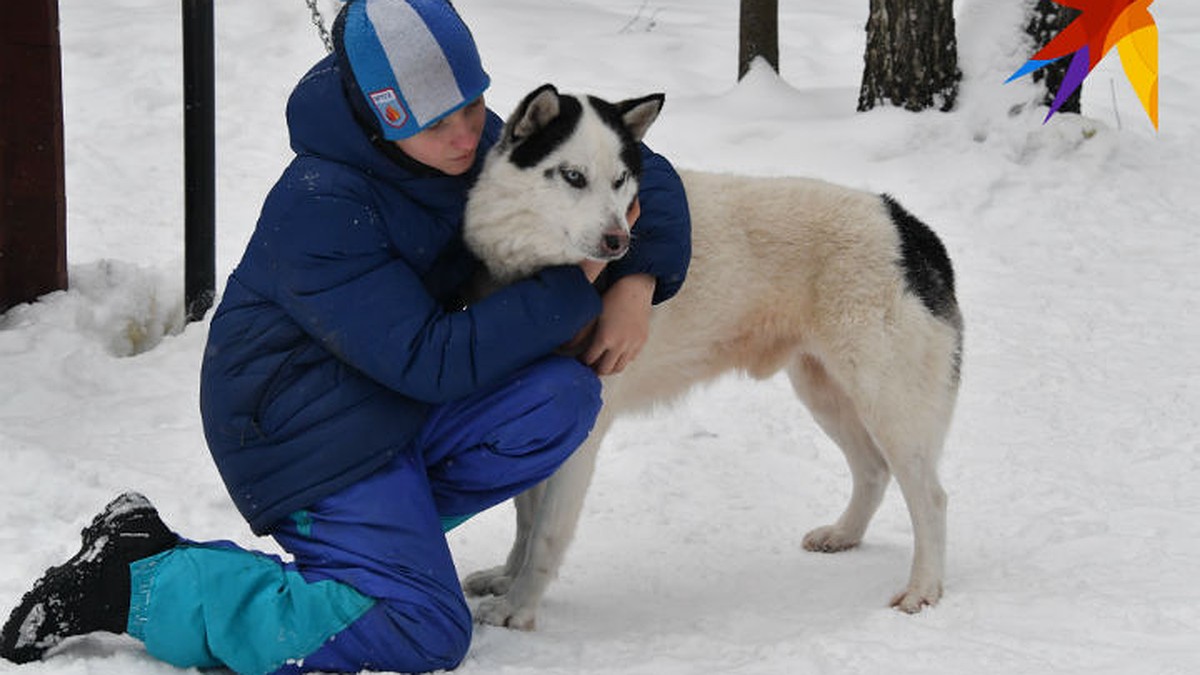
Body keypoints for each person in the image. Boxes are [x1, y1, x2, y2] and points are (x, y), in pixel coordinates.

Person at [0, 0, 691, 673]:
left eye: (475, 108)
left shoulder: (464, 140)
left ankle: (379, 546)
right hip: (300, 427)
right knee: (422, 628)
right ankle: (140, 576)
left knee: (562, 396)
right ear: (386, 117)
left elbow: (634, 164)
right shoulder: (322, 203)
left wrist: (639, 279)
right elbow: (431, 360)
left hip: (385, 400)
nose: (468, 136)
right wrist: (583, 280)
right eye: (439, 123)